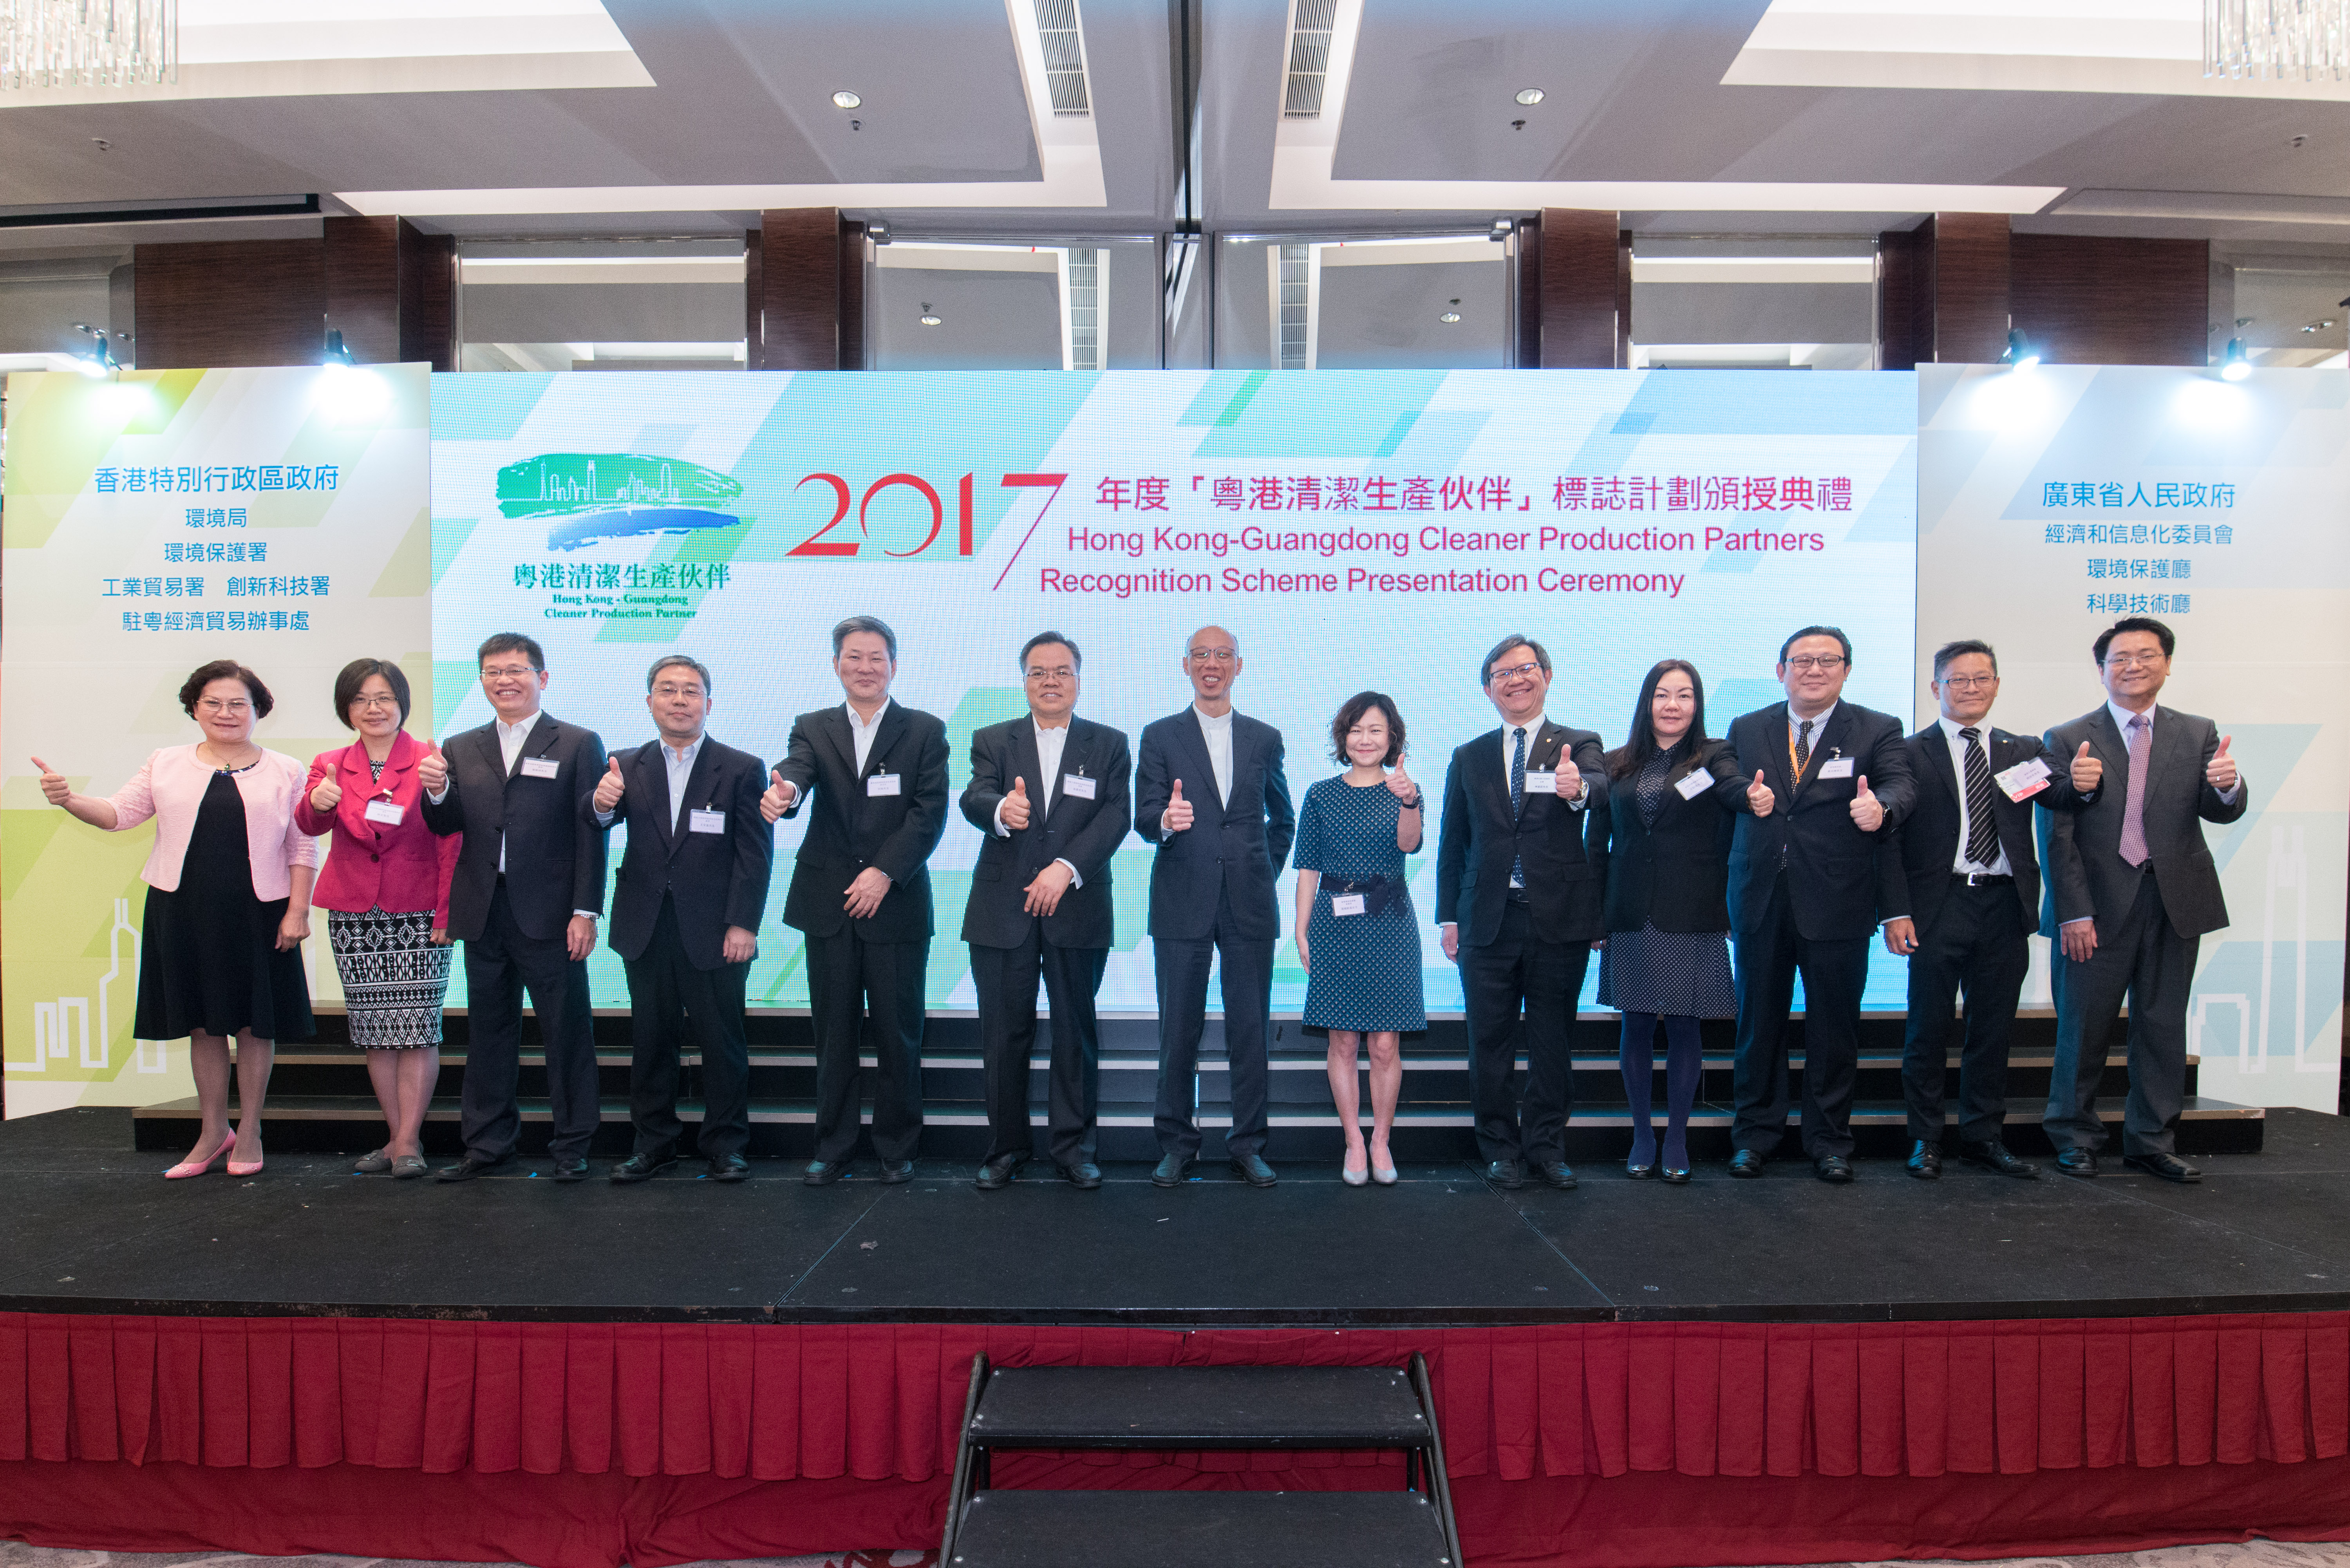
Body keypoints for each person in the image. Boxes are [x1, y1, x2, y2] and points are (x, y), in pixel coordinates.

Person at [36, 659, 315, 1179]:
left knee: (256, 1025)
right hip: (183, 909)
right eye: (213, 703)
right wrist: (70, 799)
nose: (226, 713)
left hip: (262, 910)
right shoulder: (166, 762)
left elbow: (303, 844)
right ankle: (213, 1132)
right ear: (194, 708)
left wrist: (298, 910)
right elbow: (119, 815)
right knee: (203, 1025)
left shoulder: (288, 768)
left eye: (239, 704)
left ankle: (249, 1130)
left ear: (259, 710)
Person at [1878, 639, 2101, 1181]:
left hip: (2003, 904)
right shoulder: (1909, 753)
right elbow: (1888, 841)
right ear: (1937, 688)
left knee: (1994, 1029)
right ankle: (1925, 1140)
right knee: (1927, 1030)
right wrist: (1896, 910)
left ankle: (1982, 1137)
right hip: (1938, 905)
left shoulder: (2023, 749)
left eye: (1982, 679)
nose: (1971, 688)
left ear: (1997, 686)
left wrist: (2085, 786)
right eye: (1958, 680)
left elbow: (2061, 797)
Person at [2039, 616, 2245, 1183]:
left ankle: (2152, 1140)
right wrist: (2073, 911)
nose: (2134, 666)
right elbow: (2057, 836)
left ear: (2168, 664)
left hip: (2175, 902)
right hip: (2097, 910)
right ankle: (2075, 1137)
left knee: (2161, 1026)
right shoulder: (2066, 737)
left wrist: (2227, 783)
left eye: (2147, 655)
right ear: (2102, 669)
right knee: (2084, 1027)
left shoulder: (2198, 731)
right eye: (2120, 658)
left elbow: (2220, 807)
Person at [1721, 625, 1915, 1183]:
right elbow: (1726, 781)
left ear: (1847, 670)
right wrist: (1746, 794)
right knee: (1759, 1025)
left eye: (1827, 660)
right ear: (1780, 670)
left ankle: (1829, 1140)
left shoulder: (1878, 729)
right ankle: (1755, 1136)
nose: (1813, 670)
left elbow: (1902, 785)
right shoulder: (1749, 726)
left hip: (1839, 901)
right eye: (1801, 661)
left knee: (1834, 1028)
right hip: (1761, 899)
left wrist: (1882, 806)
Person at [763, 616, 950, 1185]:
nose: (865, 667)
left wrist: (884, 874)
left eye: (876, 657)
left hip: (895, 904)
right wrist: (788, 792)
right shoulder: (812, 726)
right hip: (830, 903)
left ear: (894, 664)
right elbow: (797, 771)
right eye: (853, 657)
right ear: (837, 664)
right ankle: (833, 1147)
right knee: (835, 1035)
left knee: (899, 1035)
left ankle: (897, 1149)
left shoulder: (924, 729)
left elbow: (929, 813)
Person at [419, 634, 608, 1183]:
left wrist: (585, 911)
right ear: (481, 681)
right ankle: (487, 1144)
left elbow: (590, 834)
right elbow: (446, 825)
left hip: (552, 915)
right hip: (484, 911)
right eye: (492, 672)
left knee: (566, 1033)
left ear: (542, 678)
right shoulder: (459, 747)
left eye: (516, 670)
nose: (504, 680)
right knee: (489, 1033)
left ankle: (573, 1145)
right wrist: (434, 793)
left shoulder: (576, 743)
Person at [589, 656, 773, 1184]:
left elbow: (754, 854)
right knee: (651, 1043)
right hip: (645, 927)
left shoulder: (741, 767)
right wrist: (600, 805)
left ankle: (726, 1145)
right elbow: (596, 820)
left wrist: (744, 923)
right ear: (649, 702)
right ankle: (655, 1144)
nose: (679, 700)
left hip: (717, 931)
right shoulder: (624, 764)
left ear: (708, 704)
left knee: (723, 1042)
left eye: (691, 691)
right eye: (667, 690)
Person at [1435, 635, 1608, 1192]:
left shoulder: (1579, 743)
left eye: (1526, 669)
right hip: (1487, 920)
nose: (1516, 680)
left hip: (1557, 918)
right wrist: (1449, 918)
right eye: (1503, 674)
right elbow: (1453, 844)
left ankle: (1547, 1147)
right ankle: (1500, 1149)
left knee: (1554, 1038)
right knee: (1489, 1042)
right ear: (1489, 689)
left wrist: (1577, 787)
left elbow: (1599, 789)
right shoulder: (1470, 756)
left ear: (1547, 676)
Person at [960, 632, 1132, 1191]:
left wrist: (1065, 868)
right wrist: (1000, 810)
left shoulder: (1109, 744)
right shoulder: (993, 739)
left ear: (1078, 680)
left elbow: (1115, 816)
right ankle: (1005, 1148)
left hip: (1077, 905)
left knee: (1073, 1034)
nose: (1051, 680)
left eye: (1062, 671)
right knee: (1003, 1034)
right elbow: (974, 797)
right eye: (1039, 672)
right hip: (1001, 909)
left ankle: (1073, 1149)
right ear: (1025, 681)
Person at [1133, 625, 1295, 1189]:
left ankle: (1248, 1144)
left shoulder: (1265, 737)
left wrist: (1261, 875)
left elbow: (1284, 820)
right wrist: (1165, 823)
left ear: (1239, 666)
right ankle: (1177, 1144)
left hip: (1250, 906)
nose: (1212, 663)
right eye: (1201, 654)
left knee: (1249, 1031)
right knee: (1178, 1031)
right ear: (1185, 666)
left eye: (1222, 654)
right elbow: (1145, 815)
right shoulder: (1159, 736)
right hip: (1182, 901)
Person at [294, 659, 460, 1179]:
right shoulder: (328, 762)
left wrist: (446, 911)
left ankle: (409, 1140)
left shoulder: (431, 759)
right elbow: (309, 822)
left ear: (402, 703)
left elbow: (451, 836)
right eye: (362, 699)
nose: (374, 708)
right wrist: (317, 803)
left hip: (418, 911)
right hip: (354, 914)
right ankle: (394, 1140)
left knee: (416, 1029)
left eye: (385, 697)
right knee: (375, 1030)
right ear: (347, 707)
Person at [1585, 659, 1737, 1184]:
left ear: (1697, 704)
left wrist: (1728, 908)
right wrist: (1596, 914)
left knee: (1685, 1026)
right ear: (1647, 701)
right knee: (1637, 1024)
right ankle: (1642, 1134)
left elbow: (1729, 833)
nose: (1673, 705)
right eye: (1663, 694)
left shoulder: (1716, 756)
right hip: (1629, 910)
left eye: (1685, 695)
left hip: (1692, 911)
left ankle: (1676, 1136)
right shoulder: (1615, 762)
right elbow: (1597, 845)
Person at [1293, 692, 1424, 1186]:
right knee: (1343, 1039)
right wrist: (1302, 928)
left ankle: (1381, 1140)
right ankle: (1352, 1140)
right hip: (1334, 922)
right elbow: (1307, 867)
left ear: (1392, 737)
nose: (1365, 739)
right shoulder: (1320, 794)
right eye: (1356, 730)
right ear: (1342, 737)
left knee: (1386, 1043)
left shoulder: (1405, 790)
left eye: (1376, 729)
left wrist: (1409, 799)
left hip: (1390, 922)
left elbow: (1409, 844)